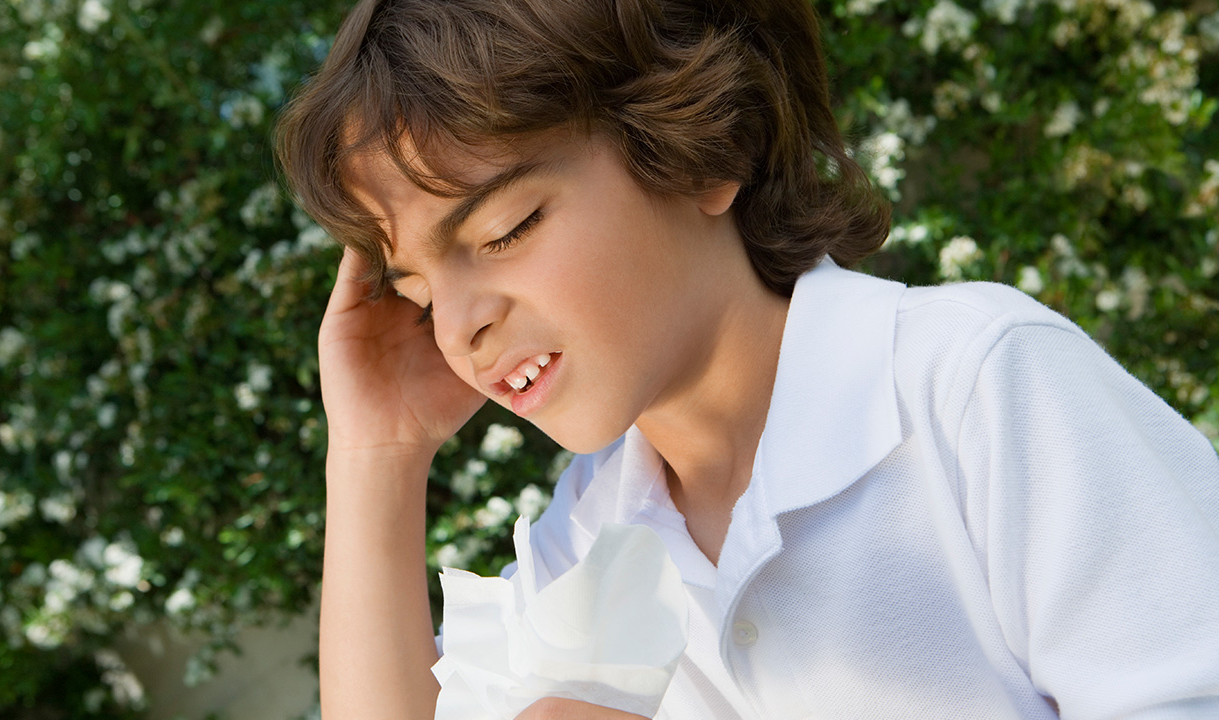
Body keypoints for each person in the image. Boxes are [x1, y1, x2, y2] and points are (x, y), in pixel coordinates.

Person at [273, 0, 1219, 718]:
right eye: (418, 291)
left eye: (506, 228)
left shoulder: (973, 391)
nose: (457, 330)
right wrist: (377, 456)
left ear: (702, 150)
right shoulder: (596, 537)